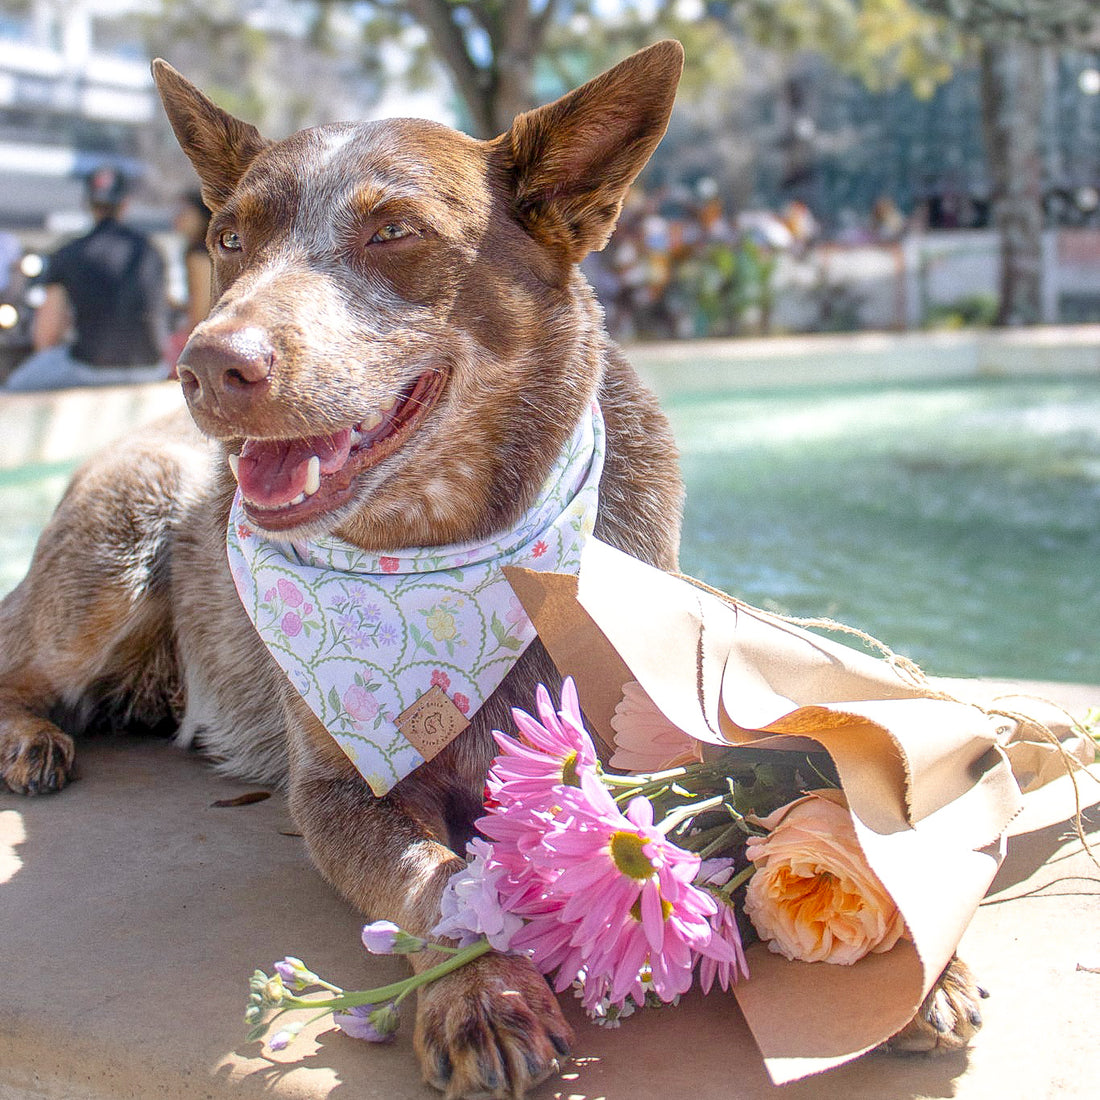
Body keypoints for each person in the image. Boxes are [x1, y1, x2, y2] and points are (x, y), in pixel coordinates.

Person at [3, 166, 169, 392]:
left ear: (88, 204)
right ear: (125, 204)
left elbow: (47, 334)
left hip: (90, 369)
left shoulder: (70, 252)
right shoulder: (150, 251)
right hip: (152, 369)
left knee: (13, 388)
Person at [164, 191, 212, 375]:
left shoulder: (198, 255)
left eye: (184, 211)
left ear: (201, 215)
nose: (177, 217)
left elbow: (200, 311)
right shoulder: (204, 250)